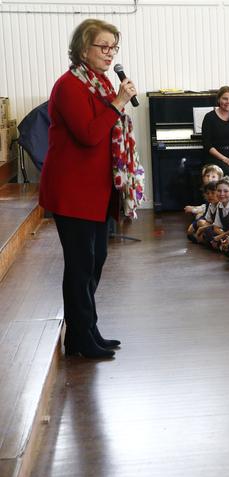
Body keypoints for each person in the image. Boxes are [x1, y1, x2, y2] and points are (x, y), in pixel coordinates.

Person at [39, 19, 143, 358]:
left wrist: (115, 100)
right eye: (103, 46)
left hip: (96, 191)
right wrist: (117, 103)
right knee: (81, 264)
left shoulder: (98, 83)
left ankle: (87, 329)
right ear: (84, 49)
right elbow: (88, 134)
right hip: (72, 192)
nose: (110, 53)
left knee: (96, 260)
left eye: (114, 47)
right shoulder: (70, 86)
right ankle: (80, 337)